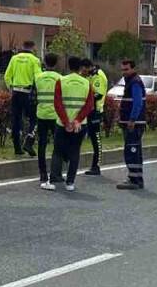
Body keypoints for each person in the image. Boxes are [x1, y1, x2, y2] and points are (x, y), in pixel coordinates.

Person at [46, 56, 95, 192]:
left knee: (58, 152)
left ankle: (54, 179)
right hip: (80, 124)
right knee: (74, 152)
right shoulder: (86, 83)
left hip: (62, 124)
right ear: (80, 67)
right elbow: (89, 105)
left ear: (68, 66)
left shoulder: (61, 81)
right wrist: (78, 120)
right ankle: (70, 182)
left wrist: (66, 122)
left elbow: (57, 103)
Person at [5, 40, 41, 157]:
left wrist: (10, 87)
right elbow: (38, 77)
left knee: (16, 120)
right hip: (28, 93)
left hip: (16, 92)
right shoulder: (34, 60)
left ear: (23, 46)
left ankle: (17, 148)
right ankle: (28, 142)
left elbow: (7, 76)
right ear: (33, 48)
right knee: (33, 119)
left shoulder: (14, 58)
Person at [115, 58, 147, 190]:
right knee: (134, 150)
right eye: (122, 70)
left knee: (132, 151)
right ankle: (136, 177)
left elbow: (138, 103)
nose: (124, 72)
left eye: (126, 69)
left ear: (133, 68)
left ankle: (134, 179)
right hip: (131, 122)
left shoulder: (135, 82)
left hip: (134, 123)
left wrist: (132, 119)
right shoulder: (131, 81)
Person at [32, 53, 62, 187]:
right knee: (58, 145)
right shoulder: (60, 79)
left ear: (44, 62)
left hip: (42, 114)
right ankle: (56, 173)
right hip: (56, 116)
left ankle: (42, 174)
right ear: (56, 63)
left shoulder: (38, 77)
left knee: (42, 145)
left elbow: (33, 97)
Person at [82, 60, 109, 175]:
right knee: (90, 137)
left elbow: (98, 95)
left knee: (96, 139)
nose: (84, 72)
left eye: (84, 69)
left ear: (89, 67)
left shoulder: (98, 76)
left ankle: (96, 166)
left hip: (96, 111)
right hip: (89, 110)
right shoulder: (91, 75)